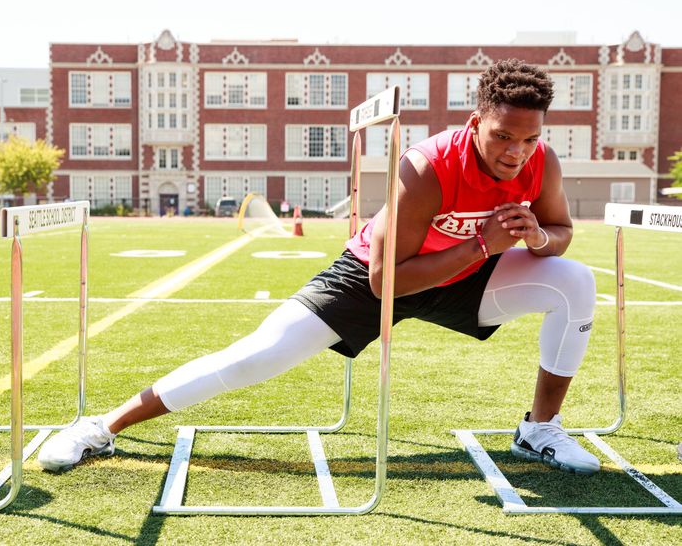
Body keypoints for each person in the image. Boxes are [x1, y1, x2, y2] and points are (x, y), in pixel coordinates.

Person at [39, 59, 600, 476]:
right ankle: (101, 427)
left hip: (466, 276)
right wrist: (481, 244)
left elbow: (563, 234)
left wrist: (539, 236)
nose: (515, 151)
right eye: (503, 135)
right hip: (376, 278)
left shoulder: (540, 161)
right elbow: (386, 281)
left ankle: (538, 430)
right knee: (253, 359)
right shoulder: (426, 166)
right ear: (476, 120)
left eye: (528, 139)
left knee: (576, 281)